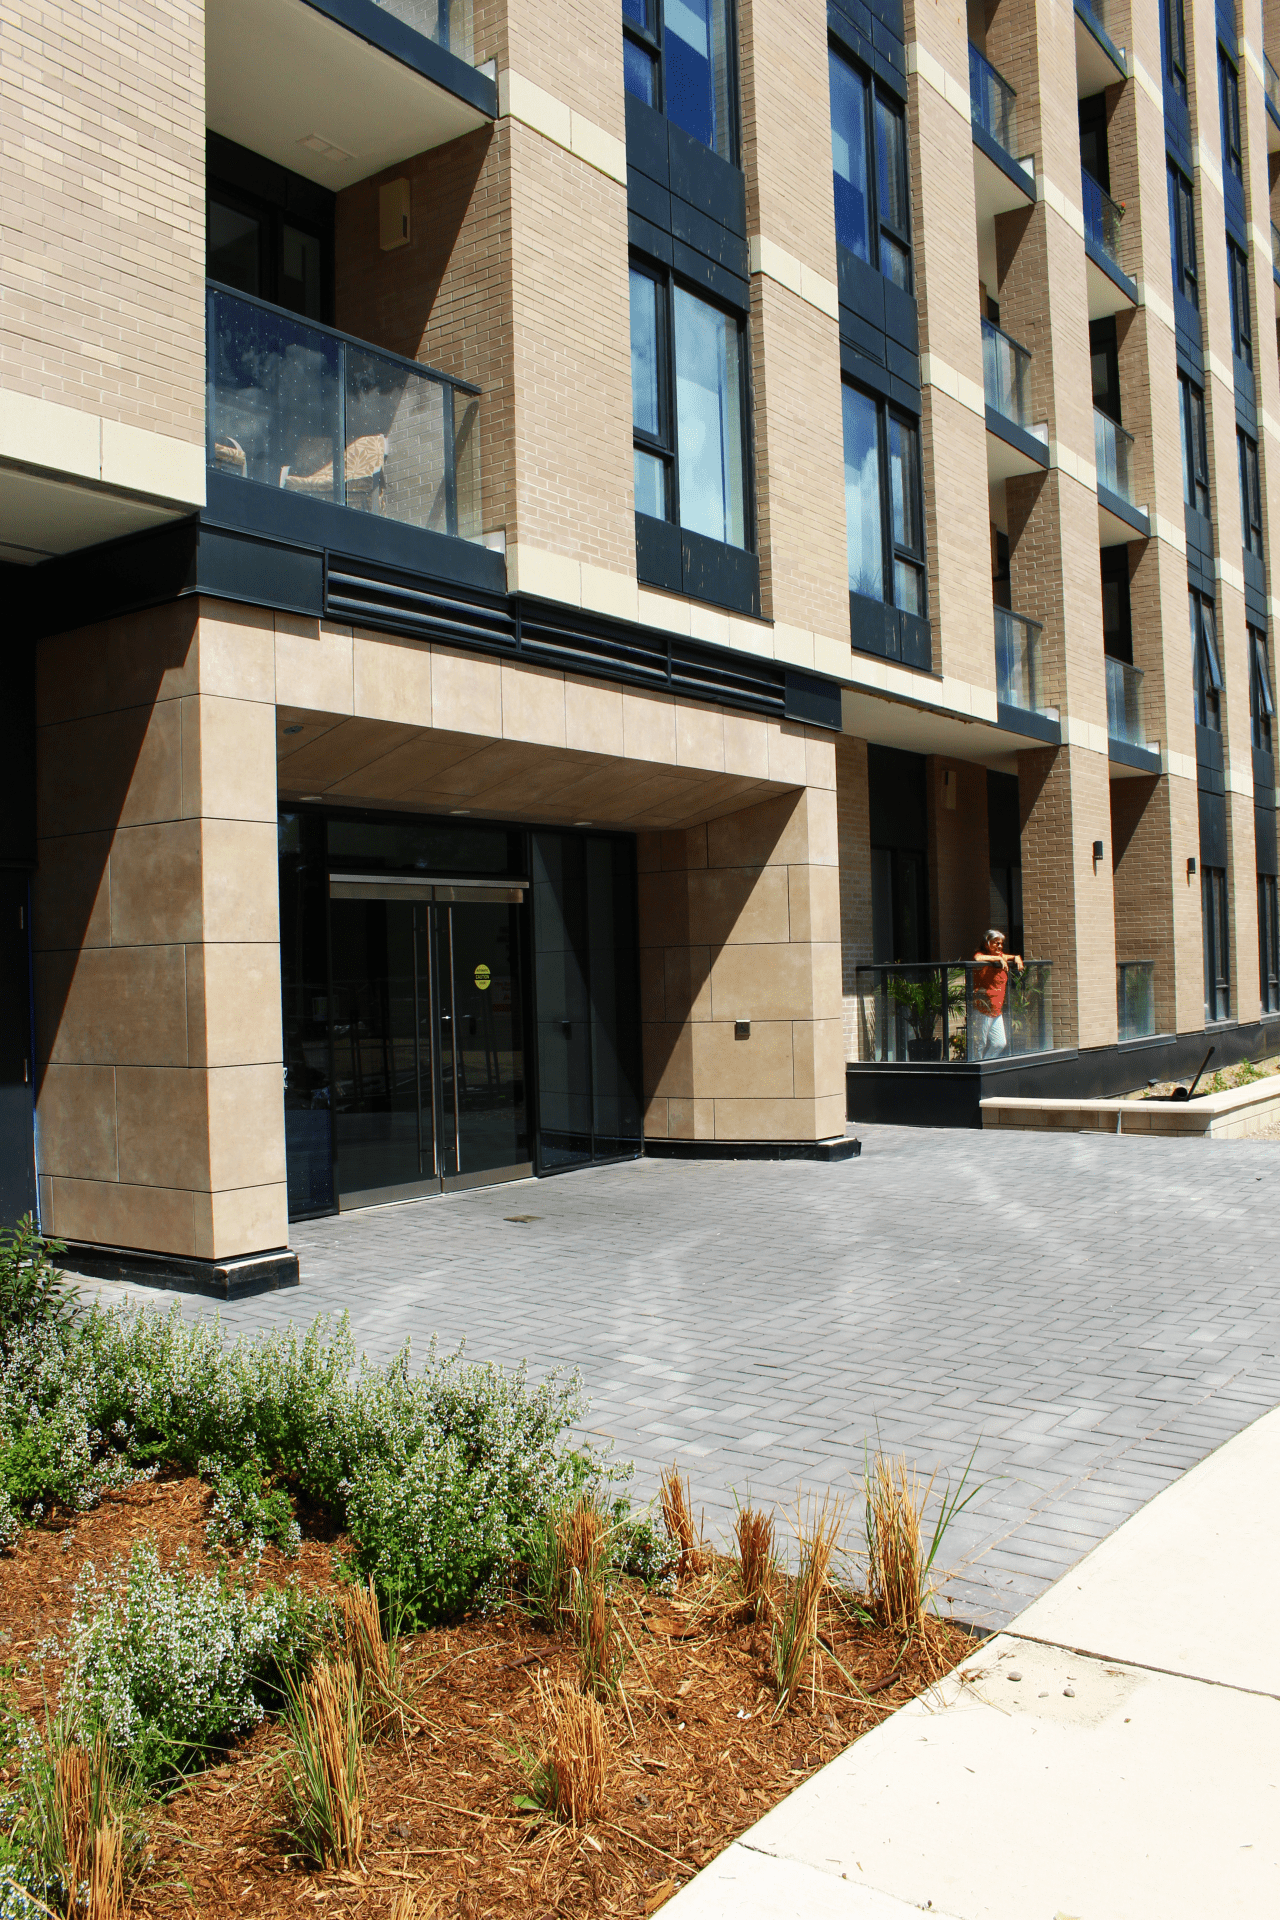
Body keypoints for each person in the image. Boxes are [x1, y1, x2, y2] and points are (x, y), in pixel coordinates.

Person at [972, 928, 1023, 1059]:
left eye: (1001, 943)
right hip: (983, 1007)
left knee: (1000, 1043)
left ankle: (986, 1064)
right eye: (996, 943)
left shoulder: (1001, 956)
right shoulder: (983, 956)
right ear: (986, 943)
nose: (999, 946)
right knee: (980, 1043)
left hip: (996, 1008)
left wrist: (1017, 958)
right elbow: (978, 958)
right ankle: (977, 1067)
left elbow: (1010, 956)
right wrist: (996, 959)